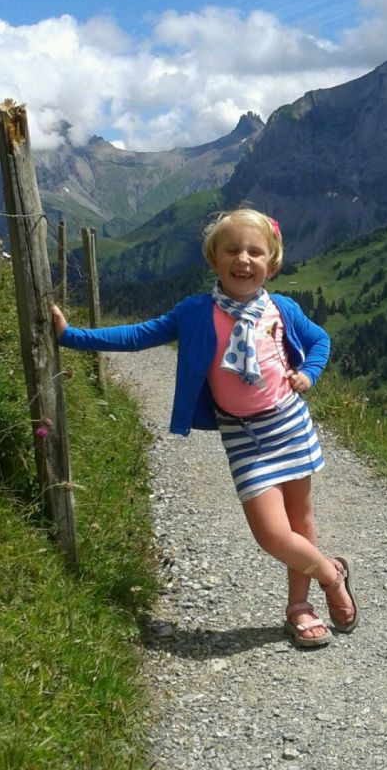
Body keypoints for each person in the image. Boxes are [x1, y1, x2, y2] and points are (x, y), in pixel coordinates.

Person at [51, 208, 358, 648]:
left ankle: (299, 608)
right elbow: (139, 335)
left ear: (271, 264)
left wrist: (308, 372)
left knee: (299, 522)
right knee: (273, 534)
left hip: (289, 423)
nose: (243, 259)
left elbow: (319, 340)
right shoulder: (196, 312)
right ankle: (332, 574)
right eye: (232, 249)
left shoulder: (281, 309)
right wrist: (73, 337)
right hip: (243, 436)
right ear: (214, 259)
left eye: (255, 251)